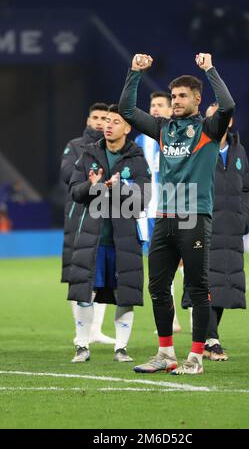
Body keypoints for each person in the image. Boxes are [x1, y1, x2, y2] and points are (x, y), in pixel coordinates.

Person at [119, 52, 235, 375]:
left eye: (183, 95)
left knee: (197, 288)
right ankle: (166, 353)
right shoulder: (163, 129)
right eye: (173, 96)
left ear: (197, 99)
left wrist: (210, 69)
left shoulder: (209, 128)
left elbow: (227, 105)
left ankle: (196, 358)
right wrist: (134, 73)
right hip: (165, 217)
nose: (176, 100)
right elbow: (127, 110)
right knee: (157, 286)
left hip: (195, 216)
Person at [68, 104, 151, 363]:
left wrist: (119, 188)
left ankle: (121, 348)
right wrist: (91, 185)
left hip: (123, 239)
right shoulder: (88, 154)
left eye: (114, 121)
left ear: (127, 128)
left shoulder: (137, 158)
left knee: (124, 294)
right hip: (92, 238)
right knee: (85, 292)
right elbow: (74, 191)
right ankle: (82, 345)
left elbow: (144, 198)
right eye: (105, 120)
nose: (107, 125)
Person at [197, 102, 249, 361]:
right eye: (211, 118)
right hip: (204, 227)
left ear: (229, 122)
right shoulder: (196, 149)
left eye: (221, 117)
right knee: (206, 285)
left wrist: (245, 218)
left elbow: (246, 188)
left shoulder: (239, 150)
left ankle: (210, 338)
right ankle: (210, 340)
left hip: (231, 231)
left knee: (225, 285)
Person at [61, 102, 115, 346]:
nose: (100, 122)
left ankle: (96, 330)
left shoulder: (113, 148)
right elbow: (66, 175)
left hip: (105, 218)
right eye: (96, 117)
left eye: (105, 118)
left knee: (102, 275)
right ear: (88, 120)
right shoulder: (75, 146)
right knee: (80, 276)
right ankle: (80, 330)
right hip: (79, 218)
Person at [135, 91, 184, 333]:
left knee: (190, 266)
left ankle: (201, 322)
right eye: (152, 104)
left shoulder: (179, 136)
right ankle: (172, 320)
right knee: (163, 269)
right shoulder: (139, 142)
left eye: (160, 105)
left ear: (170, 108)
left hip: (178, 209)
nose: (154, 109)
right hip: (149, 213)